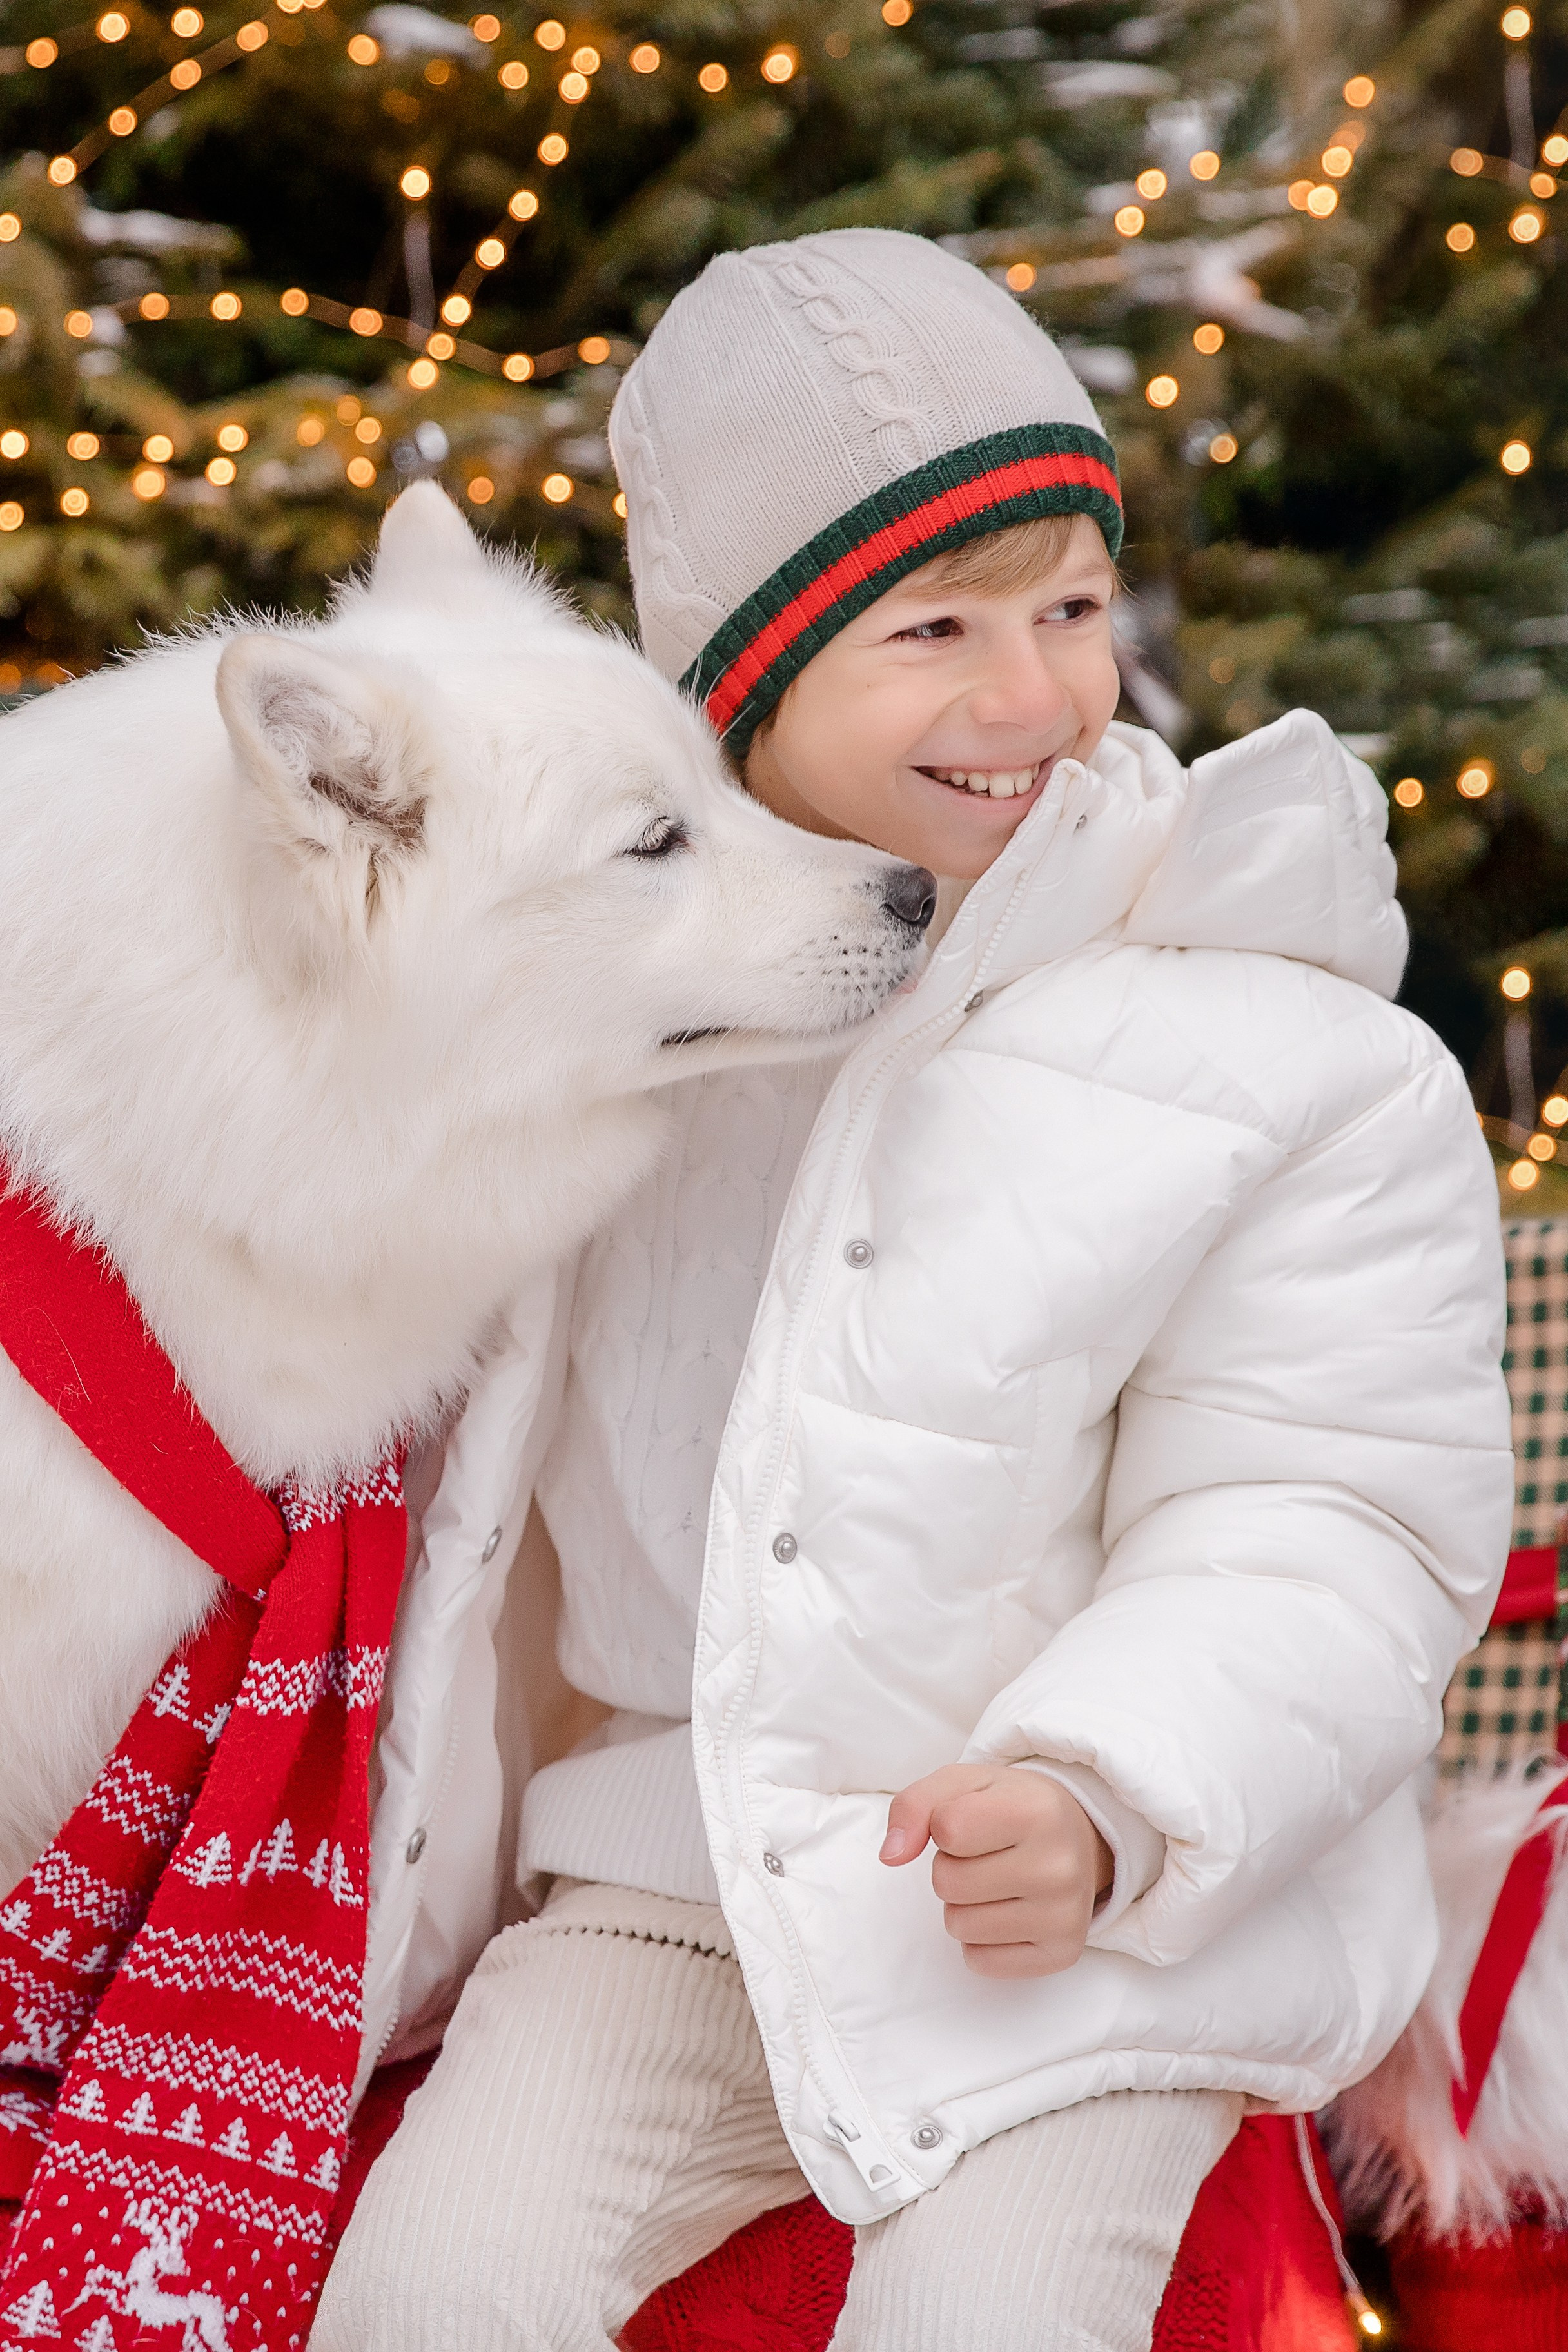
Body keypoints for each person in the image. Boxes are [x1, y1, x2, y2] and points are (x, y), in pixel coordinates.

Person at [314, 229, 1512, 2352]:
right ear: (743, 682)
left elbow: (1327, 1513)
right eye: (933, 628)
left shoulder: (1270, 1042)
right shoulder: (606, 1038)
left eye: (1065, 606)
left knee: (989, 2322)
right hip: (672, 1876)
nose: (1030, 692)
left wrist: (1109, 1793)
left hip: (1096, 1919)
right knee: (433, 2292)